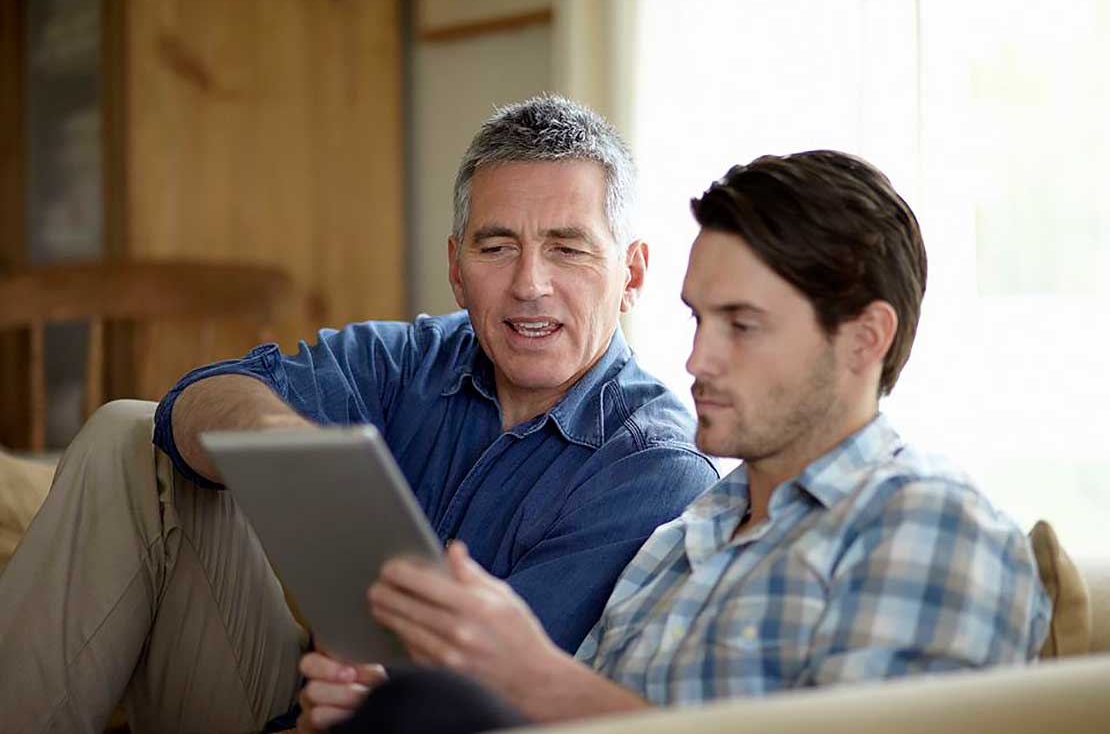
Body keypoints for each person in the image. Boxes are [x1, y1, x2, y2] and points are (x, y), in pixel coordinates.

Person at [0, 95, 719, 734]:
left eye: (567, 249)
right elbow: (198, 398)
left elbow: (497, 702)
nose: (530, 284)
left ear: (632, 274)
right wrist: (282, 437)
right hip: (299, 699)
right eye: (497, 247)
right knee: (130, 430)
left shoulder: (657, 470)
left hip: (428, 722)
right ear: (456, 268)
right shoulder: (408, 360)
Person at [297, 150, 1052, 733]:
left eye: (742, 325)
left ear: (863, 339)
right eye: (697, 320)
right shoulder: (684, 537)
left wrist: (533, 679)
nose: (696, 360)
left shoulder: (927, 524)